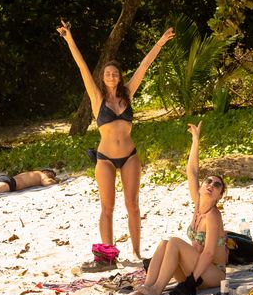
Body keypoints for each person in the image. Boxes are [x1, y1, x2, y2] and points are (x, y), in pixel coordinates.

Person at [57, 19, 174, 264]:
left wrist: (161, 42)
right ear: (103, 77)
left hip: (130, 155)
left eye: (115, 73)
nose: (111, 75)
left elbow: (145, 65)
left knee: (132, 204)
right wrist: (70, 39)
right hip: (106, 158)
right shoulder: (97, 98)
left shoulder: (128, 93)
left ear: (119, 77)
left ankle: (135, 251)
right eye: (107, 73)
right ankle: (108, 254)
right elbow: (82, 68)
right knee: (107, 208)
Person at [126, 122, 227, 295]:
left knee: (174, 242)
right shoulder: (197, 203)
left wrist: (191, 282)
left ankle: (156, 289)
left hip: (211, 274)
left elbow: (209, 253)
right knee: (164, 244)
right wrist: (196, 140)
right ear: (202, 186)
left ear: (220, 195)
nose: (211, 185)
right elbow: (192, 171)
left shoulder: (213, 215)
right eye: (208, 181)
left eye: (217, 185)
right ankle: (147, 286)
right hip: (193, 268)